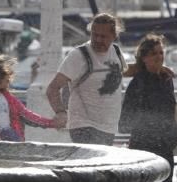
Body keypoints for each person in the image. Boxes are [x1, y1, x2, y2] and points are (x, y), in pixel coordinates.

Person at [119, 33, 177, 182]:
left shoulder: (166, 79)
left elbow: (170, 110)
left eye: (161, 53)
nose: (158, 57)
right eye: (153, 54)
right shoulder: (138, 83)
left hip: (165, 141)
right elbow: (126, 118)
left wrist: (173, 134)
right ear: (143, 58)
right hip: (145, 142)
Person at [44, 13, 127, 146]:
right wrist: (60, 112)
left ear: (114, 36)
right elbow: (52, 88)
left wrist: (160, 69)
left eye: (103, 36)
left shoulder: (116, 51)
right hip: (84, 126)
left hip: (109, 126)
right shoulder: (79, 55)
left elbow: (124, 72)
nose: (98, 39)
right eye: (95, 35)